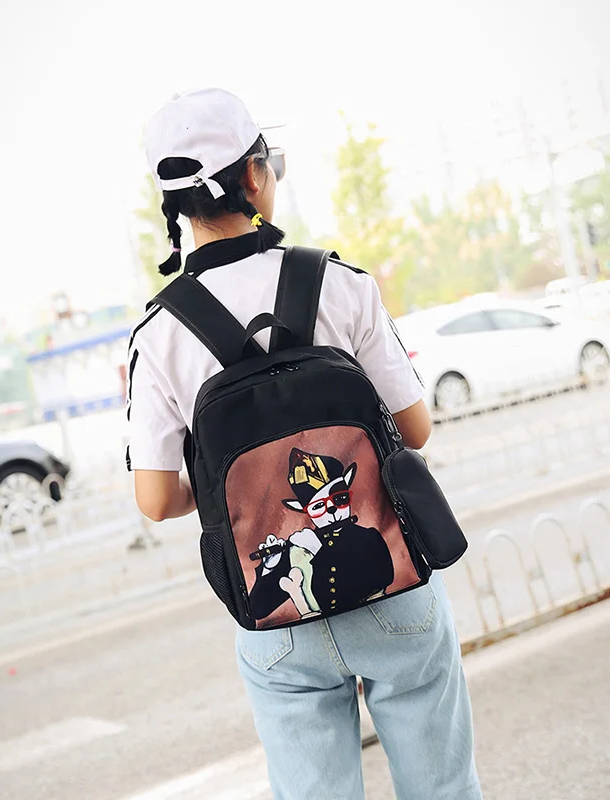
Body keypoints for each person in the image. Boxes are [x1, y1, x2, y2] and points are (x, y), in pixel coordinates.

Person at [127, 87, 482, 800]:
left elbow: (156, 500)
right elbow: (414, 429)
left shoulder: (158, 335)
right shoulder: (343, 284)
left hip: (276, 615)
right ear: (255, 177)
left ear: (177, 207)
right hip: (392, 578)